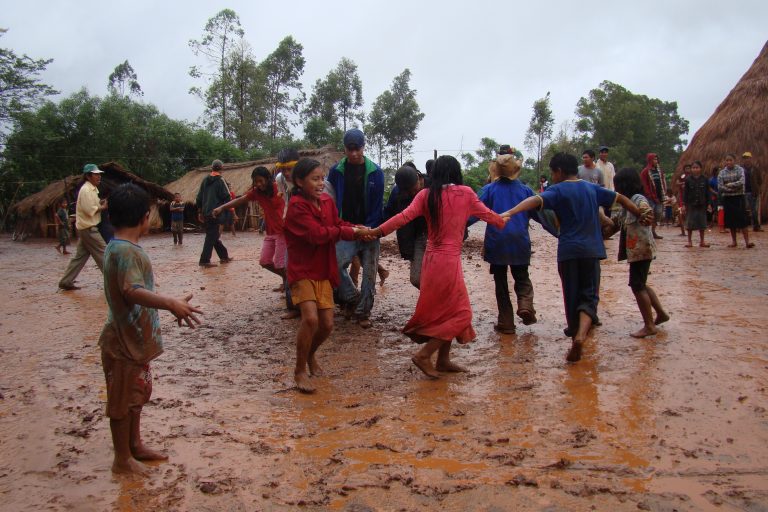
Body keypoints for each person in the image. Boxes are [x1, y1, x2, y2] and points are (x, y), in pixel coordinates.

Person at [364, 155, 507, 379]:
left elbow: (402, 217)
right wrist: (502, 219)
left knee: (447, 313)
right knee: (462, 315)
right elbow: (489, 216)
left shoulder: (426, 195)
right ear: (456, 172)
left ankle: (443, 360)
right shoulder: (466, 193)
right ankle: (424, 355)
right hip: (448, 263)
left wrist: (376, 231)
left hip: (432, 261)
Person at [501, 153, 645, 363]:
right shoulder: (591, 188)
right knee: (589, 296)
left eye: (552, 172)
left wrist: (511, 212)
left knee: (572, 295)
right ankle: (580, 337)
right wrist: (638, 212)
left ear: (558, 171)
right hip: (592, 251)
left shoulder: (556, 190)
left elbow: (534, 201)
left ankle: (574, 333)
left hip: (568, 251)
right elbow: (619, 198)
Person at [98, 183, 202, 474]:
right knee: (121, 401)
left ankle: (134, 445)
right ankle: (122, 459)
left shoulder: (119, 247)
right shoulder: (126, 252)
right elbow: (131, 290)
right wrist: (170, 303)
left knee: (134, 397)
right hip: (122, 341)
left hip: (131, 339)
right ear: (146, 217)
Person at [283, 158, 368, 393]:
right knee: (310, 319)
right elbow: (317, 235)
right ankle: (299, 370)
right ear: (299, 182)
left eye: (322, 178)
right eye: (315, 179)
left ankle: (309, 356)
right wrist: (351, 231)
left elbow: (337, 223)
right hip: (302, 269)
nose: (321, 183)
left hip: (323, 268)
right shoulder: (297, 207)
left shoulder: (328, 203)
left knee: (328, 325)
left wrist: (356, 227)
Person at [470, 153, 542, 334]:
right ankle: (525, 304)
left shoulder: (489, 190)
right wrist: (559, 231)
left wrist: (458, 227)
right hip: (520, 241)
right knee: (522, 276)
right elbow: (539, 214)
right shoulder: (526, 191)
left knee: (500, 282)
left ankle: (506, 322)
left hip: (497, 241)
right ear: (515, 170)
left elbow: (474, 210)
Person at [326, 128, 385, 329]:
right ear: (344, 148)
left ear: (363, 147)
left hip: (370, 229)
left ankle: (363, 312)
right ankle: (352, 298)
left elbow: (379, 206)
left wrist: (369, 228)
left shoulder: (376, 172)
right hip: (345, 229)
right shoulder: (335, 172)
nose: (353, 153)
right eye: (349, 149)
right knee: (334, 264)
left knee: (369, 272)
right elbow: (331, 201)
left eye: (357, 149)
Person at [606, 168, 669, 338]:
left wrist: (645, 217)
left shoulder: (637, 199)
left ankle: (649, 325)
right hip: (638, 250)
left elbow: (646, 213)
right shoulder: (626, 204)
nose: (616, 188)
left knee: (637, 285)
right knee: (641, 283)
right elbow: (615, 223)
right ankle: (661, 314)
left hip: (641, 250)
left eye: (617, 184)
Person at [213, 167, 287, 289]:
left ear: (268, 179)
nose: (258, 184)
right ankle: (287, 280)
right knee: (265, 261)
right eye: (256, 181)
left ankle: (290, 285)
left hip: (283, 231)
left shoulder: (278, 187)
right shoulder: (256, 192)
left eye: (260, 180)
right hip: (271, 232)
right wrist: (222, 207)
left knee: (280, 264)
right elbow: (241, 199)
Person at [58, 164, 108, 291]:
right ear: (88, 176)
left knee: (80, 257)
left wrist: (100, 203)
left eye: (99, 174)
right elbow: (88, 210)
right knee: (105, 254)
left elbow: (92, 205)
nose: (99, 176)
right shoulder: (86, 190)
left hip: (86, 228)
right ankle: (114, 282)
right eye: (96, 174)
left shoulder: (92, 189)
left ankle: (66, 281)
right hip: (89, 228)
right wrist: (102, 207)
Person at [383, 164, 427, 289]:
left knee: (438, 275)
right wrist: (374, 230)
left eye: (413, 190)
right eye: (408, 192)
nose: (412, 194)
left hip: (434, 236)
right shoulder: (397, 192)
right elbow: (388, 214)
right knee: (416, 279)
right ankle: (434, 301)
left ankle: (437, 304)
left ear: (419, 178)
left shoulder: (432, 187)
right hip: (415, 237)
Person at [196, 159, 232, 267]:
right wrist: (227, 212)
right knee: (211, 236)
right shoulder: (221, 180)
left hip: (206, 212)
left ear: (211, 168)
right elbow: (228, 197)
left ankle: (224, 256)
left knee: (213, 235)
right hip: (216, 212)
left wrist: (200, 212)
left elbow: (198, 197)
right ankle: (204, 260)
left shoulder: (205, 180)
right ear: (222, 168)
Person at [718, 153, 754, 248]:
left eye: (731, 160)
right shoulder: (722, 173)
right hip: (728, 199)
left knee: (743, 220)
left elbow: (742, 182)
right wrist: (733, 187)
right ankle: (734, 241)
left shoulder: (740, 170)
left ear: (734, 160)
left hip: (739, 198)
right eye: (727, 160)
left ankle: (747, 242)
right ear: (725, 161)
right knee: (731, 221)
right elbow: (720, 186)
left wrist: (729, 185)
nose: (729, 162)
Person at [681, 161, 710, 248]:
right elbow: (685, 193)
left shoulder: (705, 179)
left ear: (700, 169)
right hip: (691, 204)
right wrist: (683, 205)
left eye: (697, 167)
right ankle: (689, 241)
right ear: (691, 169)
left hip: (702, 204)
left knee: (702, 224)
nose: (695, 169)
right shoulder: (688, 180)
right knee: (690, 224)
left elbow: (707, 192)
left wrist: (709, 204)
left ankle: (702, 241)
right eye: (693, 168)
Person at [640, 153, 666, 239]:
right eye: (654, 159)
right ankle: (647, 232)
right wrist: (649, 195)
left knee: (658, 213)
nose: (656, 161)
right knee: (649, 215)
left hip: (659, 196)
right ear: (650, 160)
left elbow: (662, 182)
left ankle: (653, 231)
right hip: (650, 197)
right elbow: (644, 184)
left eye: (657, 159)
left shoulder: (659, 171)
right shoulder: (645, 171)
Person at [742, 151, 763, 231]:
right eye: (745, 158)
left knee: (754, 210)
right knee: (743, 210)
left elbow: (760, 180)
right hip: (743, 192)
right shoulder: (741, 169)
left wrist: (757, 189)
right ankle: (743, 226)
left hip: (753, 193)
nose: (746, 160)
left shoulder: (755, 169)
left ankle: (756, 226)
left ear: (751, 159)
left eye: (748, 158)